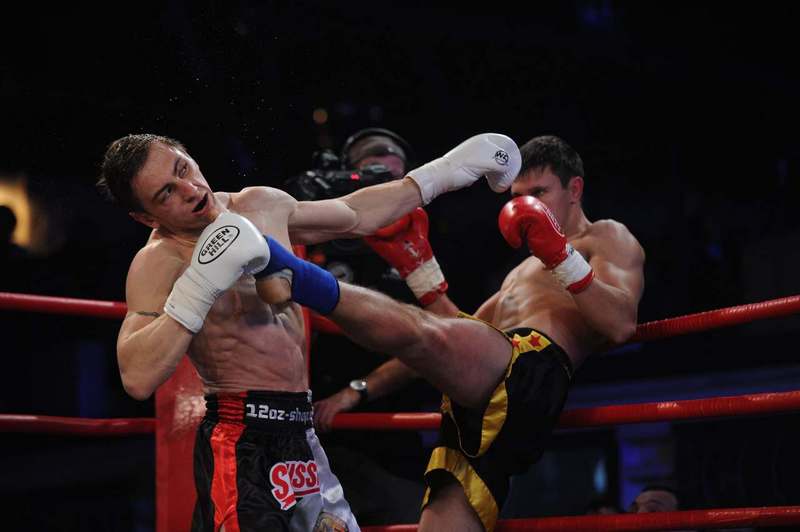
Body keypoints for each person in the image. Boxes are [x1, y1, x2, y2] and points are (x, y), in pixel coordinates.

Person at [96, 131, 520, 532]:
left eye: (183, 168)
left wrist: (446, 171)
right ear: (145, 216)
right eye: (166, 193)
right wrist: (200, 285)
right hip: (239, 439)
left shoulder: (260, 204)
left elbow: (355, 214)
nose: (190, 189)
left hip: (302, 434)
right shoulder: (159, 262)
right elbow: (137, 377)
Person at [256, 134, 646, 531]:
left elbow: (620, 324)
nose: (528, 205)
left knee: (423, 333)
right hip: (481, 395)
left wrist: (561, 255)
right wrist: (418, 273)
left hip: (532, 370)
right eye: (519, 196)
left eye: (540, 193)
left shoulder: (605, 236)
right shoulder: (520, 274)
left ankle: (293, 274)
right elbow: (457, 330)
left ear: (574, 189)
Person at [299, 128, 439, 525]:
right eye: (375, 180)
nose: (387, 194)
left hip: (393, 434)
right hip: (318, 435)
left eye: (395, 183)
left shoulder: (420, 247)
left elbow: (434, 339)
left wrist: (355, 392)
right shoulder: (312, 237)